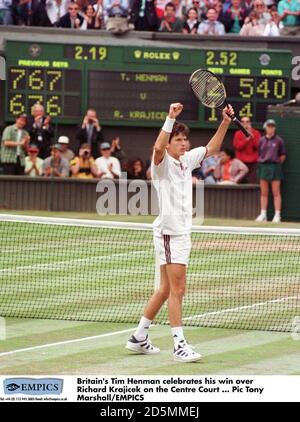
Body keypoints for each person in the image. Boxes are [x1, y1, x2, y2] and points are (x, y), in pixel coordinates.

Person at [126, 102, 234, 362]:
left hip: (180, 232)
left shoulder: (188, 159)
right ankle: (179, 345)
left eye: (185, 139)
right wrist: (169, 118)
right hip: (170, 233)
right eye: (178, 139)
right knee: (178, 289)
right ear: (170, 143)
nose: (184, 143)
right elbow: (157, 147)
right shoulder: (161, 164)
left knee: (165, 289)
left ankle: (139, 337)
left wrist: (225, 122)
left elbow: (213, 148)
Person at [256, 119, 286, 223]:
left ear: (274, 128)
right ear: (265, 127)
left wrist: (275, 164)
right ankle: (263, 214)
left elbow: (282, 156)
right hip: (264, 167)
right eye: (269, 126)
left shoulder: (279, 141)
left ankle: (277, 215)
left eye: (272, 126)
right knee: (264, 193)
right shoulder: (261, 140)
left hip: (275, 167)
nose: (271, 127)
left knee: (276, 192)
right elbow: (259, 153)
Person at [232, 116, 260, 183]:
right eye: (243, 122)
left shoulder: (256, 133)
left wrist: (252, 137)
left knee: (252, 182)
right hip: (241, 162)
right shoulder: (238, 134)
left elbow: (258, 146)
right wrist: (246, 140)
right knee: (239, 182)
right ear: (240, 123)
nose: (245, 123)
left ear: (250, 123)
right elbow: (238, 147)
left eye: (247, 121)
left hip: (253, 163)